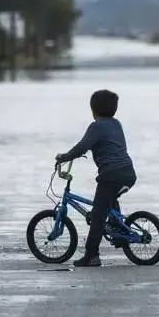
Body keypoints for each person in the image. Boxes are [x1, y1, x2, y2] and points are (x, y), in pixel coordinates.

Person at [56, 89, 137, 268]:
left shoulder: (96, 126)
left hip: (111, 174)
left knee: (98, 216)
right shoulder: (116, 124)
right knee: (108, 200)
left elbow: (81, 147)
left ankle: (91, 256)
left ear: (93, 110)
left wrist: (64, 157)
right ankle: (117, 228)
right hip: (128, 173)